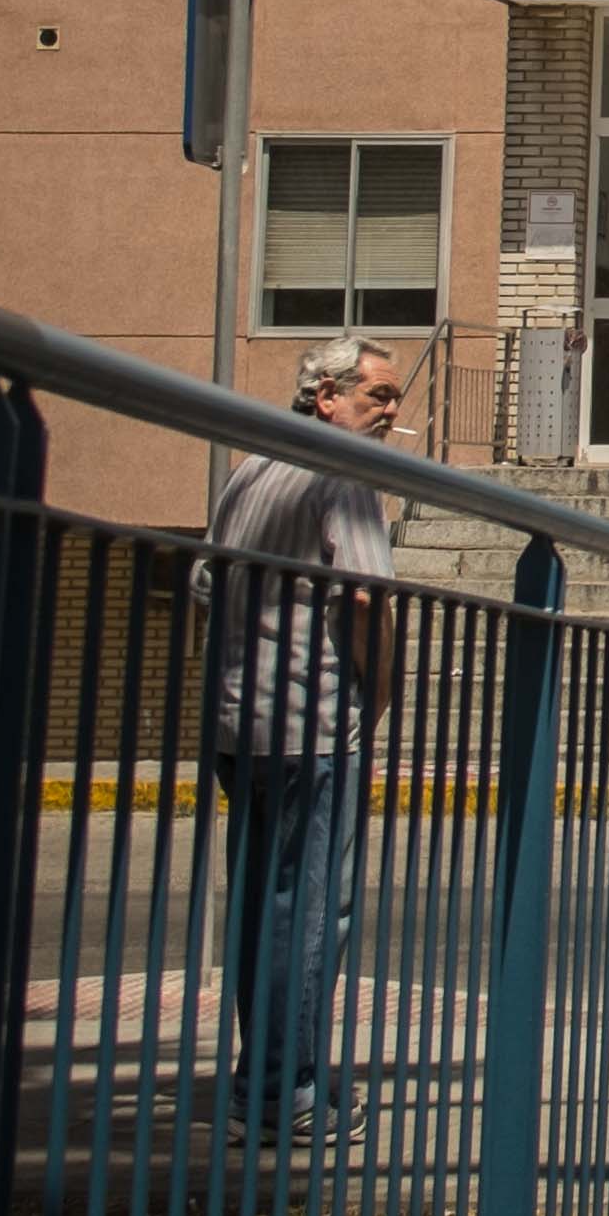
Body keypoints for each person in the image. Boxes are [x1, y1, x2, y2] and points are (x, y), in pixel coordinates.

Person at [198, 334, 403, 1139]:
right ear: (326, 397)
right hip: (312, 721)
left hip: (239, 722)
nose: (392, 411)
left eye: (392, 398)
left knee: (261, 903)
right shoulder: (343, 474)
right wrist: (378, 694)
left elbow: (203, 580)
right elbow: (361, 598)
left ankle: (260, 1085)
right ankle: (293, 1093)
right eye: (377, 395)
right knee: (315, 909)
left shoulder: (253, 468)